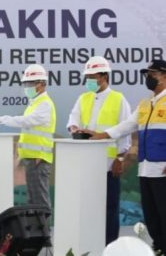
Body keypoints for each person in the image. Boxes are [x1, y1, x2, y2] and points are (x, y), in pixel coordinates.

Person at [92, 59, 166, 254]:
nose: (148, 77)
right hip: (146, 168)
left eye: (153, 74)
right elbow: (125, 126)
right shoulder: (145, 104)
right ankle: (159, 248)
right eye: (147, 74)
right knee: (151, 216)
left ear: (164, 76)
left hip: (163, 169)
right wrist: (100, 135)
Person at [66, 56, 131, 245]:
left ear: (103, 76)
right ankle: (90, 244)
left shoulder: (118, 99)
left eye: (92, 76)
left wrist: (120, 159)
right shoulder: (83, 98)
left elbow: (125, 131)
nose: (88, 81)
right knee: (88, 208)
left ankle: (110, 246)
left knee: (109, 209)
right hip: (85, 164)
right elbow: (73, 118)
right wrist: (74, 129)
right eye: (87, 77)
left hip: (109, 165)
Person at [0, 64, 56, 210]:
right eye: (26, 83)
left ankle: (43, 230)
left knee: (39, 199)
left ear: (41, 84)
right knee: (33, 199)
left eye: (30, 83)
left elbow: (25, 121)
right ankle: (36, 230)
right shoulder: (35, 103)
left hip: (39, 159)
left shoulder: (44, 105)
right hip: (31, 158)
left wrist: (2, 119)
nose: (27, 87)